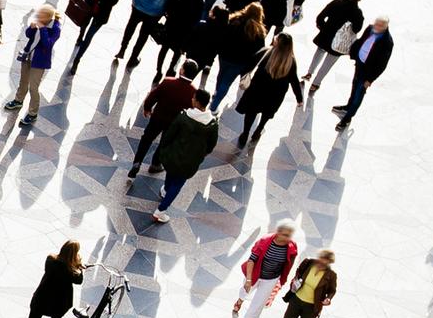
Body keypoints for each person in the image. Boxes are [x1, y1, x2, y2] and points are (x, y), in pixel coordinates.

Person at [146, 96, 219, 224]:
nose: (192, 99)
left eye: (194, 98)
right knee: (177, 184)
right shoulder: (212, 125)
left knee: (171, 172)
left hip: (174, 154)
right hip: (190, 161)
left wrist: (164, 150)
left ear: (197, 102)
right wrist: (201, 155)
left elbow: (169, 135)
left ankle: (163, 201)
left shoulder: (183, 117)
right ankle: (161, 208)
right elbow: (211, 146)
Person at [128, 61, 204, 178]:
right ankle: (155, 164)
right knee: (165, 143)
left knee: (146, 139)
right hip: (174, 124)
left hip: (158, 117)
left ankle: (137, 162)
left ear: (182, 70)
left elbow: (152, 96)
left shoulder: (168, 82)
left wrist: (147, 108)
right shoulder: (193, 92)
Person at [233, 220, 300, 318]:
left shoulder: (291, 246)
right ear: (278, 232)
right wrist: (248, 280)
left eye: (290, 235)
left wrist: (283, 279)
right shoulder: (264, 241)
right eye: (285, 235)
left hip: (271, 279)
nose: (288, 238)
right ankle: (239, 301)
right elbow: (252, 260)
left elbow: (289, 263)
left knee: (258, 304)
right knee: (245, 291)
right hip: (255, 274)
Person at [16, 242, 84, 318]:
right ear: (74, 254)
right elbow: (79, 280)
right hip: (58, 304)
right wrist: (78, 265)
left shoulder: (50, 259)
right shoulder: (70, 271)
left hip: (41, 300)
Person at [233, 33, 303, 149]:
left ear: (277, 42)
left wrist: (243, 76)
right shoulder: (291, 62)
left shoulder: (266, 52)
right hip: (275, 95)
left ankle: (245, 134)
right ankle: (258, 131)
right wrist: (299, 98)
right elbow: (294, 81)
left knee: (251, 113)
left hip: (257, 90)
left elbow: (249, 64)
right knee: (266, 115)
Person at [272, 247, 336, 318]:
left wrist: (328, 299)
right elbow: (298, 272)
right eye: (322, 258)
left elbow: (332, 290)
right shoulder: (308, 263)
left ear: (329, 262)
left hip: (312, 308)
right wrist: (295, 280)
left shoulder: (331, 275)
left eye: (326, 260)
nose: (322, 261)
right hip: (296, 300)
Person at [332, 17, 395, 129]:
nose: (376, 26)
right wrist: (354, 53)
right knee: (354, 86)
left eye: (380, 25)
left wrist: (370, 79)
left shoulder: (387, 42)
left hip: (368, 72)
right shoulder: (370, 29)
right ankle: (348, 107)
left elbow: (382, 64)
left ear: (386, 27)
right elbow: (361, 41)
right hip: (360, 64)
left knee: (359, 94)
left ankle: (348, 118)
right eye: (376, 23)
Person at [5, 5, 61, 126]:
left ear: (47, 17)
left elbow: (47, 44)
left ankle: (32, 113)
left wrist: (42, 28)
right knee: (23, 81)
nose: (38, 18)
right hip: (28, 56)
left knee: (33, 88)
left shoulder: (55, 28)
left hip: (39, 62)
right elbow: (29, 35)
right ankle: (18, 100)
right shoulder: (40, 21)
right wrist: (31, 28)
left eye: (41, 16)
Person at [303, 0, 364, 92]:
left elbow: (321, 16)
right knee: (328, 63)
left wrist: (323, 28)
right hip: (339, 42)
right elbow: (356, 29)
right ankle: (316, 83)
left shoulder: (337, 2)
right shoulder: (357, 13)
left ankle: (309, 73)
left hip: (325, 36)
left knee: (318, 53)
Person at [64, 0, 122, 70]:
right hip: (89, 8)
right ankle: (80, 37)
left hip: (101, 15)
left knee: (89, 37)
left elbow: (114, 1)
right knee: (83, 26)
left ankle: (77, 59)